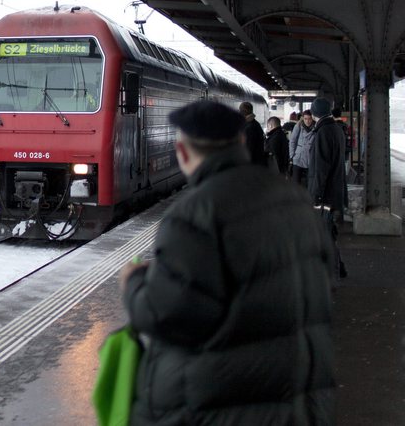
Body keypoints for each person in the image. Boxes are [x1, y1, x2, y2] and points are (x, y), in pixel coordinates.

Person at [119, 100, 335, 424]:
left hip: (221, 401)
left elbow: (169, 315)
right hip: (298, 396)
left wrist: (134, 282)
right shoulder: (295, 198)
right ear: (239, 143)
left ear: (183, 151)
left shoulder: (195, 214)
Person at [309, 96, 349, 279]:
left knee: (325, 233)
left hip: (326, 196)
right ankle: (338, 268)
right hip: (334, 192)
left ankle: (333, 272)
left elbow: (321, 169)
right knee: (328, 232)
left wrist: (316, 197)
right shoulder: (336, 129)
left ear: (315, 113)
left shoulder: (323, 132)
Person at [289, 108, 316, 186]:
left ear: (312, 118)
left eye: (309, 119)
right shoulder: (298, 126)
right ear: (303, 118)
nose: (307, 121)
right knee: (296, 183)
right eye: (305, 119)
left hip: (310, 159)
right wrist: (292, 156)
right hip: (298, 158)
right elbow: (292, 141)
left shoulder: (316, 127)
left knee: (310, 183)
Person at [239, 101, 266, 166]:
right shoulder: (255, 124)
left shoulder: (249, 127)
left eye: (240, 110)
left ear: (244, 111)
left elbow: (249, 147)